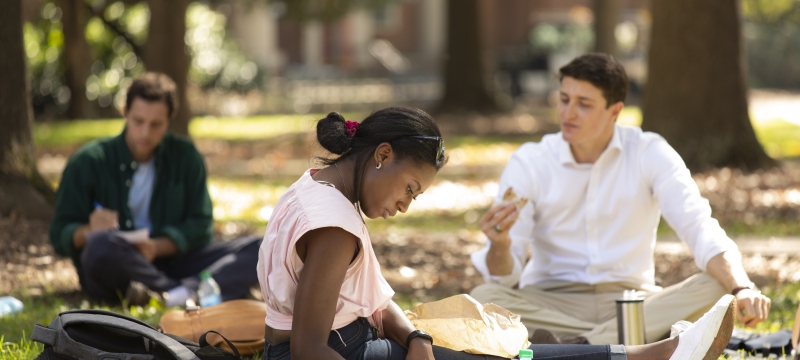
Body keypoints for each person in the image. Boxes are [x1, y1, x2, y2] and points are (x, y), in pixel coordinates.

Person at [256, 107, 735, 360]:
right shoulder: (335, 227)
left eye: (414, 196)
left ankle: (650, 353)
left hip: (361, 340)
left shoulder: (316, 187)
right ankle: (652, 355)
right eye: (409, 188)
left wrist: (418, 337)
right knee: (505, 358)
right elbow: (307, 349)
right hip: (349, 351)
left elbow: (376, 306)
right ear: (381, 155)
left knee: (497, 346)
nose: (404, 205)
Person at [469, 53, 772, 345]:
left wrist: (742, 287)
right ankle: (624, 341)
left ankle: (579, 346)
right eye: (564, 99)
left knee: (720, 288)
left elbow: (698, 225)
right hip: (551, 302)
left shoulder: (648, 151)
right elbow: (503, 279)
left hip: (634, 301)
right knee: (483, 298)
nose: (568, 113)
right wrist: (500, 246)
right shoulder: (530, 161)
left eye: (583, 104)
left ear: (614, 111)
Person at [49, 72, 260, 307]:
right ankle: (189, 292)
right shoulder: (88, 162)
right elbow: (59, 234)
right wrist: (88, 229)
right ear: (125, 113)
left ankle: (174, 293)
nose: (145, 133)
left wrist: (156, 248)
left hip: (173, 261)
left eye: (156, 125)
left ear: (169, 121)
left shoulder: (185, 156)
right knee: (99, 247)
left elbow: (201, 226)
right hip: (118, 263)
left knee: (260, 247)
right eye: (138, 121)